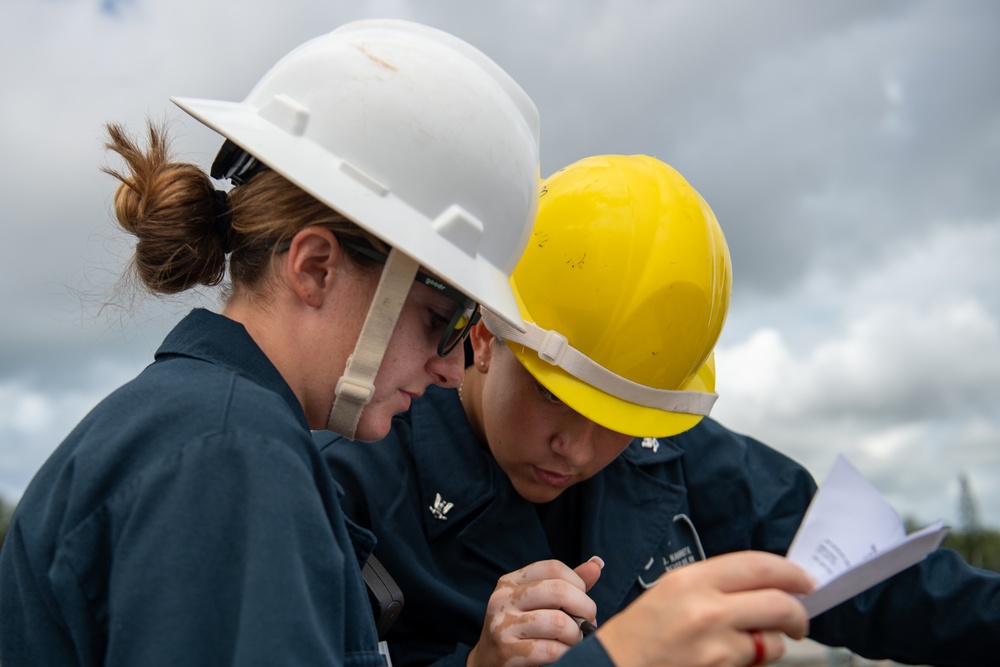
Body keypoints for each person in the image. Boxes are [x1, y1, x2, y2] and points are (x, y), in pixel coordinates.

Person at [0, 19, 543, 666]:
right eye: (441, 318)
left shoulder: (212, 433)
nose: (453, 369)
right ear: (316, 267)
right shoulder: (232, 458)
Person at [318, 154, 1000, 667]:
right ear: (488, 334)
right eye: (557, 395)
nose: (579, 448)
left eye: (625, 414)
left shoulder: (687, 459)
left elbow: (886, 585)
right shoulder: (351, 478)